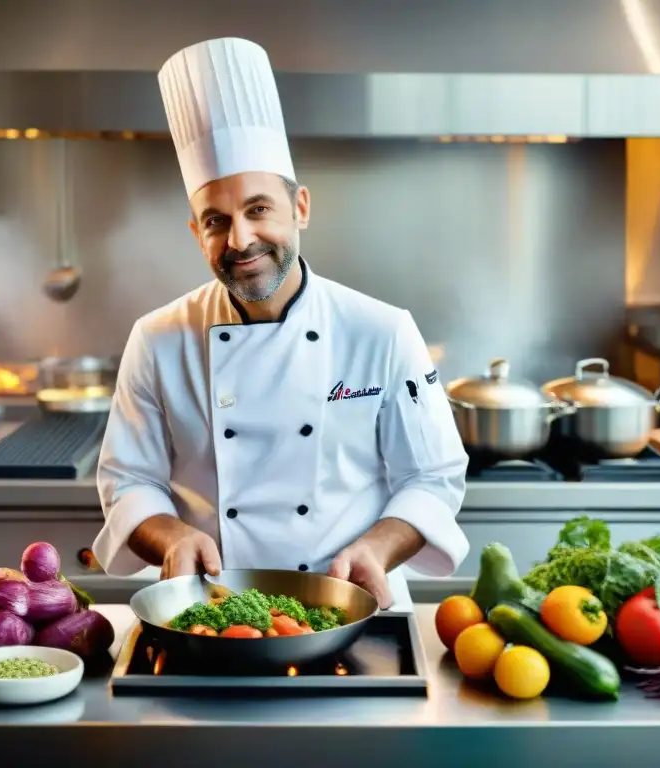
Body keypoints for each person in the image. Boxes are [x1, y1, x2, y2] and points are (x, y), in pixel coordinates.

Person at [92, 37, 470, 610]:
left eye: (259, 209)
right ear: (197, 234)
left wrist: (377, 548)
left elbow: (433, 476)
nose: (240, 240)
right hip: (207, 611)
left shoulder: (382, 331)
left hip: (348, 604)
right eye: (216, 221)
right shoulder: (157, 339)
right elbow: (128, 482)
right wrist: (170, 536)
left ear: (301, 209)